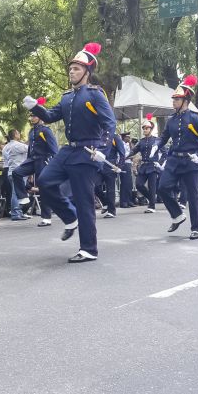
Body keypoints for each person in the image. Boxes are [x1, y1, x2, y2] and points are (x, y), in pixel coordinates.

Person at [22, 41, 116, 263]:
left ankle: (89, 249)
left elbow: (110, 123)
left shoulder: (95, 94)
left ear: (87, 71)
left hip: (88, 151)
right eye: (70, 68)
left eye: (76, 68)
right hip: (68, 151)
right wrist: (35, 106)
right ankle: (69, 216)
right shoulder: (66, 96)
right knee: (44, 181)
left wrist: (102, 148)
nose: (71, 72)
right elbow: (51, 116)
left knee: (84, 201)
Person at [157, 75, 198, 240]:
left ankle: (196, 228)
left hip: (190, 161)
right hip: (174, 159)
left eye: (177, 99)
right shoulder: (171, 120)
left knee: (193, 194)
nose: (173, 101)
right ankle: (177, 215)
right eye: (173, 98)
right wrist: (157, 145)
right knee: (163, 187)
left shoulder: (195, 119)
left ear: (186, 100)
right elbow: (164, 137)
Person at [14, 109, 58, 226]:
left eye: (34, 116)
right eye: (31, 116)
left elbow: (54, 149)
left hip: (43, 160)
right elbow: (30, 149)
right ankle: (23, 197)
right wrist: (28, 173)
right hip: (32, 160)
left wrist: (54, 164)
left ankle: (46, 218)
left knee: (43, 188)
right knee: (16, 172)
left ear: (40, 117)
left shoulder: (46, 131)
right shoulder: (32, 131)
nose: (32, 118)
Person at [131, 113, 164, 213]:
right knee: (139, 184)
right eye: (144, 128)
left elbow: (165, 153)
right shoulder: (141, 141)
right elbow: (134, 150)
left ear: (151, 129)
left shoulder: (156, 140)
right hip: (144, 166)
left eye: (147, 128)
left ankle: (152, 206)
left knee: (152, 186)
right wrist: (126, 156)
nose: (145, 130)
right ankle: (151, 198)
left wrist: (159, 162)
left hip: (153, 166)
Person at [94, 132, 125, 219]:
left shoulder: (115, 137)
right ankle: (105, 203)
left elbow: (122, 153)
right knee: (95, 186)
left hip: (111, 166)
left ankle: (112, 211)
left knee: (110, 190)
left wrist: (120, 166)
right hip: (99, 166)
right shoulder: (98, 136)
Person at [3, 129, 30, 221]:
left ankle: (18, 212)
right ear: (15, 135)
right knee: (16, 193)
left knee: (15, 193)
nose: (20, 134)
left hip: (11, 171)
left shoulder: (6, 146)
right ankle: (15, 213)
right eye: (18, 133)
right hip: (18, 171)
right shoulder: (18, 145)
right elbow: (30, 149)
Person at [118, 132, 134, 207]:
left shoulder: (128, 144)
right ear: (124, 137)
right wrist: (130, 157)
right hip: (123, 164)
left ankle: (129, 200)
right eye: (128, 137)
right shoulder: (121, 144)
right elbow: (123, 155)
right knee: (124, 183)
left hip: (128, 163)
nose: (129, 139)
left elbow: (132, 153)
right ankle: (123, 202)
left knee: (129, 184)